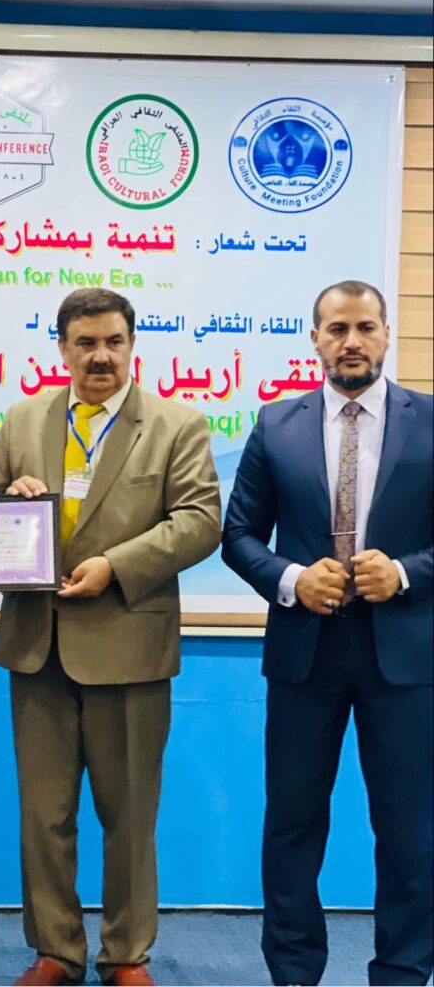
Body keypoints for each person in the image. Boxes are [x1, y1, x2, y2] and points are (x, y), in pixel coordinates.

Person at [0, 288, 221, 987]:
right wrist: (6, 503)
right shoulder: (22, 420)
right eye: (85, 343)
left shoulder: (177, 424)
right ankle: (55, 951)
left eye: (113, 342)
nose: (100, 356)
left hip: (129, 646)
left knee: (130, 816)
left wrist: (115, 566)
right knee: (44, 816)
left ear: (131, 345)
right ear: (61, 348)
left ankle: (126, 955)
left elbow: (199, 520)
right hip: (37, 647)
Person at [222, 280, 433, 987]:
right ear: (315, 339)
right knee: (292, 826)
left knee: (408, 831)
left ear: (386, 333)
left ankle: (402, 974)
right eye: (337, 328)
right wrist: (290, 579)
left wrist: (402, 573)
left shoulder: (431, 422)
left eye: (365, 327)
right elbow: (239, 535)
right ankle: (293, 973)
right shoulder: (276, 424)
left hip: (404, 659)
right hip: (303, 655)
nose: (352, 341)